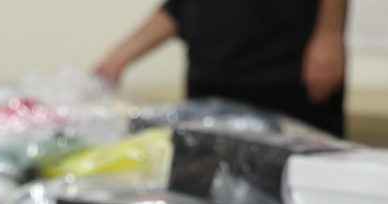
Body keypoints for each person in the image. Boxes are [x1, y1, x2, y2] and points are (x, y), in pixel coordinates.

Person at [94, 0, 349, 137]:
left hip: (285, 76)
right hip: (210, 82)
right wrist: (117, 59)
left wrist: (329, 33)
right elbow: (181, 7)